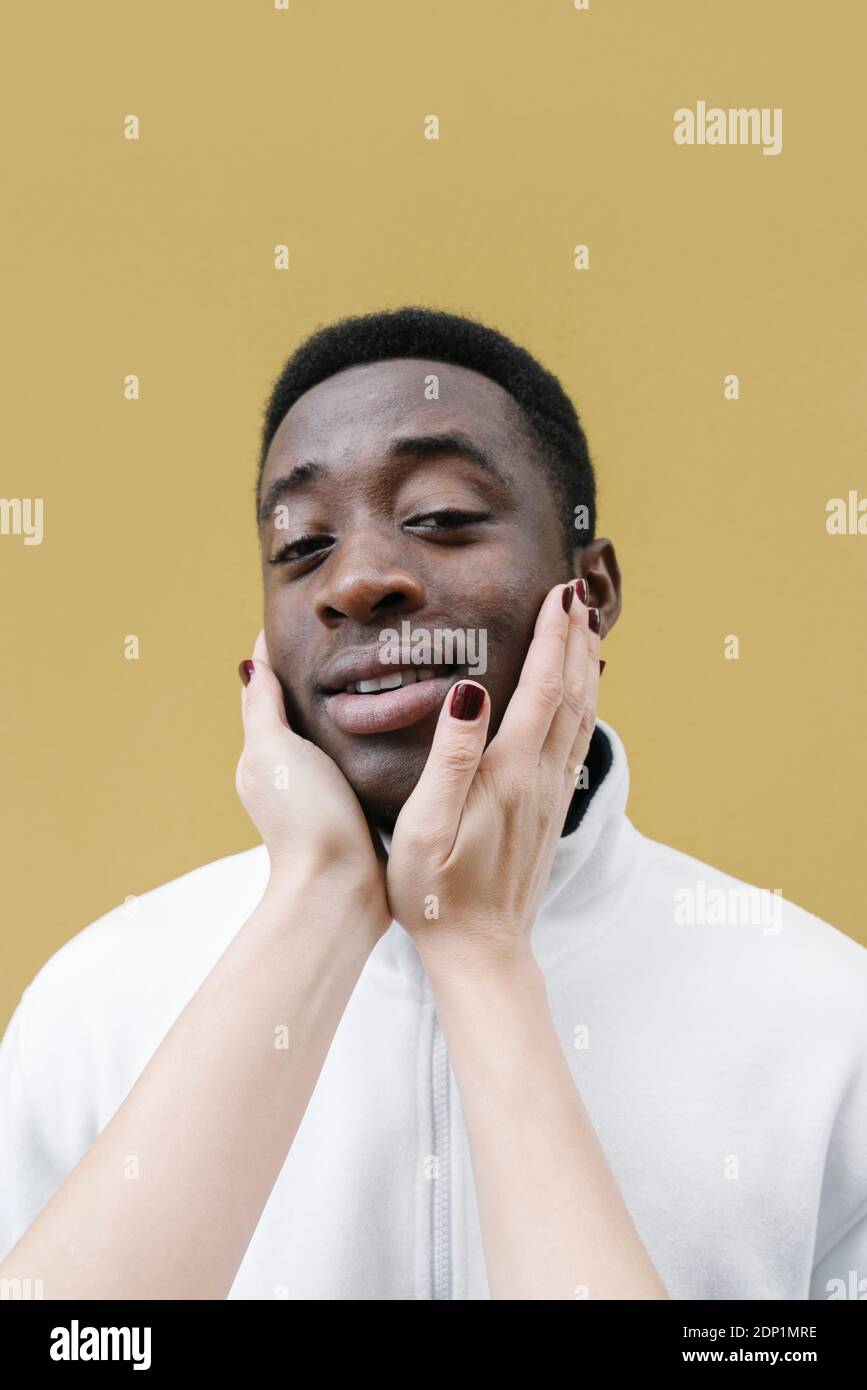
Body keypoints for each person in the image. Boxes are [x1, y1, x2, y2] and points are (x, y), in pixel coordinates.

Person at [1, 307, 864, 1301]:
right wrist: (320, 897)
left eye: (444, 516)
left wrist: (480, 947)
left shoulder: (831, 1027)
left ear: (591, 587)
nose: (359, 580)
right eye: (302, 545)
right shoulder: (93, 1006)